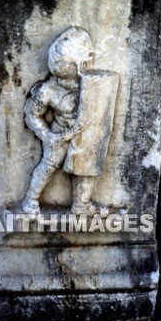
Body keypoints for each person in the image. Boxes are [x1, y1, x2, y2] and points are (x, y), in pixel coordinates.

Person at [22, 27, 98, 215]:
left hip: (86, 132)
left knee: (86, 167)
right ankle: (30, 199)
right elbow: (32, 114)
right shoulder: (47, 90)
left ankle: (82, 204)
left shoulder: (90, 83)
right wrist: (47, 136)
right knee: (50, 164)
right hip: (60, 132)